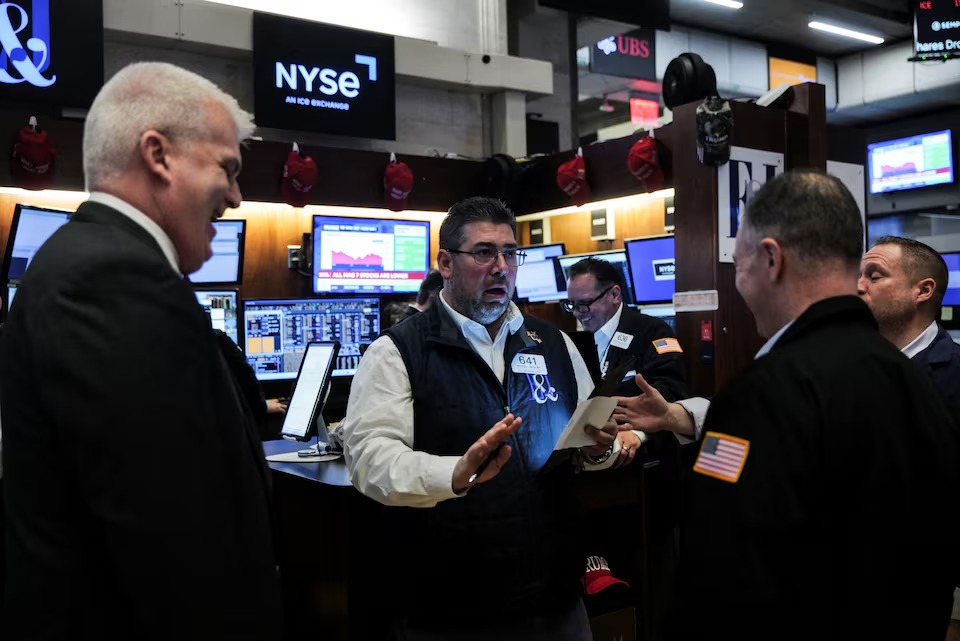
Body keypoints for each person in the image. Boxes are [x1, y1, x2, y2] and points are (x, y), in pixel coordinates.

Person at [0, 63, 282, 640]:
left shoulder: (92, 260)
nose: (235, 197)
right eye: (227, 169)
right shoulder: (112, 277)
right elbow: (171, 537)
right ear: (158, 155)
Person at [635, 170, 959, 639]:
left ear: (771, 259)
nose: (739, 280)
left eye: (738, 263)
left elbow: (717, 571)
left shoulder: (757, 395)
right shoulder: (916, 382)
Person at [340, 196, 618, 641]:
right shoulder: (397, 351)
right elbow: (370, 461)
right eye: (485, 253)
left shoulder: (554, 343)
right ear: (446, 263)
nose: (501, 267)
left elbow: (586, 440)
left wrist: (602, 448)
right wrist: (454, 472)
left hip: (555, 597)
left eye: (510, 253)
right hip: (451, 607)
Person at [564, 257, 688, 464]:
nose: (577, 313)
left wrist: (639, 433)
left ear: (614, 294)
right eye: (571, 305)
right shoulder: (570, 341)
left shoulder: (652, 331)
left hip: (638, 458)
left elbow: (673, 391)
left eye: (585, 304)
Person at [858, 236, 960, 404]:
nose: (859, 287)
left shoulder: (954, 374)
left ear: (923, 290)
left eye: (874, 277)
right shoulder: (849, 363)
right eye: (858, 276)